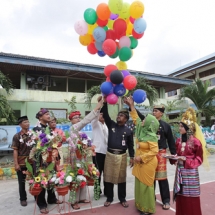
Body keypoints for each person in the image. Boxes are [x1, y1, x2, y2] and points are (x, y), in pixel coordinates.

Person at [123, 98, 176, 210]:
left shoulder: (166, 126)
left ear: (161, 113)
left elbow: (171, 141)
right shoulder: (145, 124)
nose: (153, 112)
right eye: (153, 110)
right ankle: (149, 199)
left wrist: (173, 157)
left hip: (160, 154)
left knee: (162, 178)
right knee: (149, 179)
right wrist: (132, 106)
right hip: (147, 155)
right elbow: (137, 117)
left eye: (156, 111)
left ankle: (166, 200)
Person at [68, 96, 104, 210]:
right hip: (75, 159)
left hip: (82, 158)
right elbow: (86, 120)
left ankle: (82, 198)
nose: (78, 119)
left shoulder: (81, 131)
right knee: (75, 178)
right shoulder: (73, 129)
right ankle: (73, 201)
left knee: (83, 176)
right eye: (75, 118)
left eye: (79, 117)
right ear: (71, 120)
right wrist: (99, 104)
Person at [172, 107, 209, 215]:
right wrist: (174, 158)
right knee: (181, 194)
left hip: (190, 172)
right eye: (179, 126)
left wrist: (186, 161)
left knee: (191, 197)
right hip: (180, 171)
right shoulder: (178, 141)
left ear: (188, 128)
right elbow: (178, 154)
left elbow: (199, 159)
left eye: (181, 126)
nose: (179, 128)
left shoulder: (196, 142)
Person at [101, 97, 134, 208]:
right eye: (118, 115)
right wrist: (105, 103)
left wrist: (132, 157)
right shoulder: (111, 125)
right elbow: (105, 114)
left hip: (122, 156)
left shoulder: (128, 130)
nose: (119, 116)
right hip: (110, 155)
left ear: (126, 119)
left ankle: (122, 199)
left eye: (121, 115)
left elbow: (130, 145)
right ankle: (109, 198)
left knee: (121, 178)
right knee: (109, 177)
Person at [128, 97, 159, 215]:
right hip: (139, 162)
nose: (143, 121)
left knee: (146, 184)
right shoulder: (142, 130)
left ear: (150, 124)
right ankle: (140, 205)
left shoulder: (151, 136)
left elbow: (154, 151)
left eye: (145, 120)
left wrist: (141, 157)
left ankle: (148, 208)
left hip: (148, 162)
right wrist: (131, 105)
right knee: (139, 183)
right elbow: (135, 118)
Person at [33, 108, 62, 214]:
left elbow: (54, 144)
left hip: (50, 159)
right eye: (46, 114)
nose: (48, 115)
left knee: (51, 179)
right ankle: (41, 204)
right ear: (40, 117)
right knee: (41, 180)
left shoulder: (49, 129)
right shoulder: (36, 129)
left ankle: (52, 199)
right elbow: (35, 146)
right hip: (40, 160)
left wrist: (56, 156)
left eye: (49, 114)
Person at [11, 116, 33, 207]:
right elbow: (15, 150)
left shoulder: (33, 134)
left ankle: (36, 195)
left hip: (33, 161)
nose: (27, 123)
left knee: (35, 180)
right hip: (21, 162)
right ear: (20, 124)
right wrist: (16, 164)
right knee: (22, 182)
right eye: (25, 122)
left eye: (28, 122)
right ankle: (23, 199)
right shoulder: (17, 136)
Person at [91, 112, 108, 196]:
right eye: (101, 114)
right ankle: (97, 191)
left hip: (107, 152)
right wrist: (99, 110)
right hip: (97, 151)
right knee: (97, 173)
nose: (102, 116)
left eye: (103, 114)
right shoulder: (95, 123)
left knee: (107, 173)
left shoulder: (107, 125)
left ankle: (107, 191)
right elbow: (95, 117)